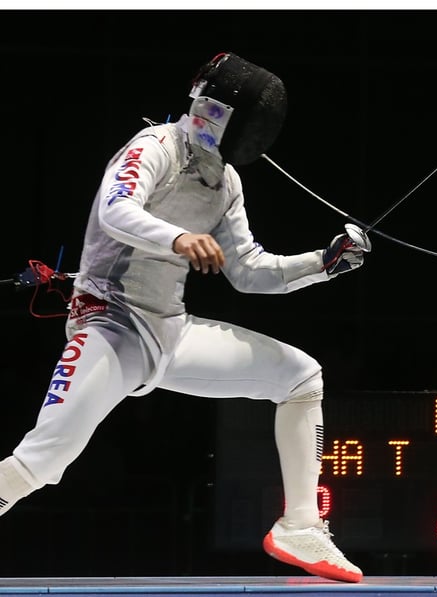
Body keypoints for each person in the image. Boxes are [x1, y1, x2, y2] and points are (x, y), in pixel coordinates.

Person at [0, 52, 368, 583]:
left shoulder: (226, 182)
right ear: (216, 110)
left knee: (301, 377)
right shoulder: (154, 147)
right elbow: (115, 209)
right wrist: (178, 237)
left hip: (170, 330)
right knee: (42, 462)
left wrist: (324, 263)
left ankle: (301, 526)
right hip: (109, 323)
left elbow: (249, 270)